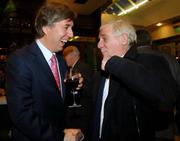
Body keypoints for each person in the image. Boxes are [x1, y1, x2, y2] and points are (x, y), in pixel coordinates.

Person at [6, 2, 84, 141]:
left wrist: (70, 86)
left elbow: (54, 97)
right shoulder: (20, 60)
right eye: (66, 27)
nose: (71, 34)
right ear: (46, 27)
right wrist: (60, 137)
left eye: (71, 28)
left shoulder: (60, 59)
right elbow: (21, 114)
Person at [91, 19, 177, 141]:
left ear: (124, 39)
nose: (99, 45)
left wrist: (116, 64)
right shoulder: (101, 73)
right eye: (99, 40)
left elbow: (166, 98)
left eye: (104, 39)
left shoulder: (149, 62)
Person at [63, 45, 94, 141]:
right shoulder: (72, 68)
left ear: (73, 54)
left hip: (81, 113)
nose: (64, 59)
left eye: (65, 56)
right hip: (76, 113)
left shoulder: (83, 67)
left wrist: (78, 88)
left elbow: (89, 89)